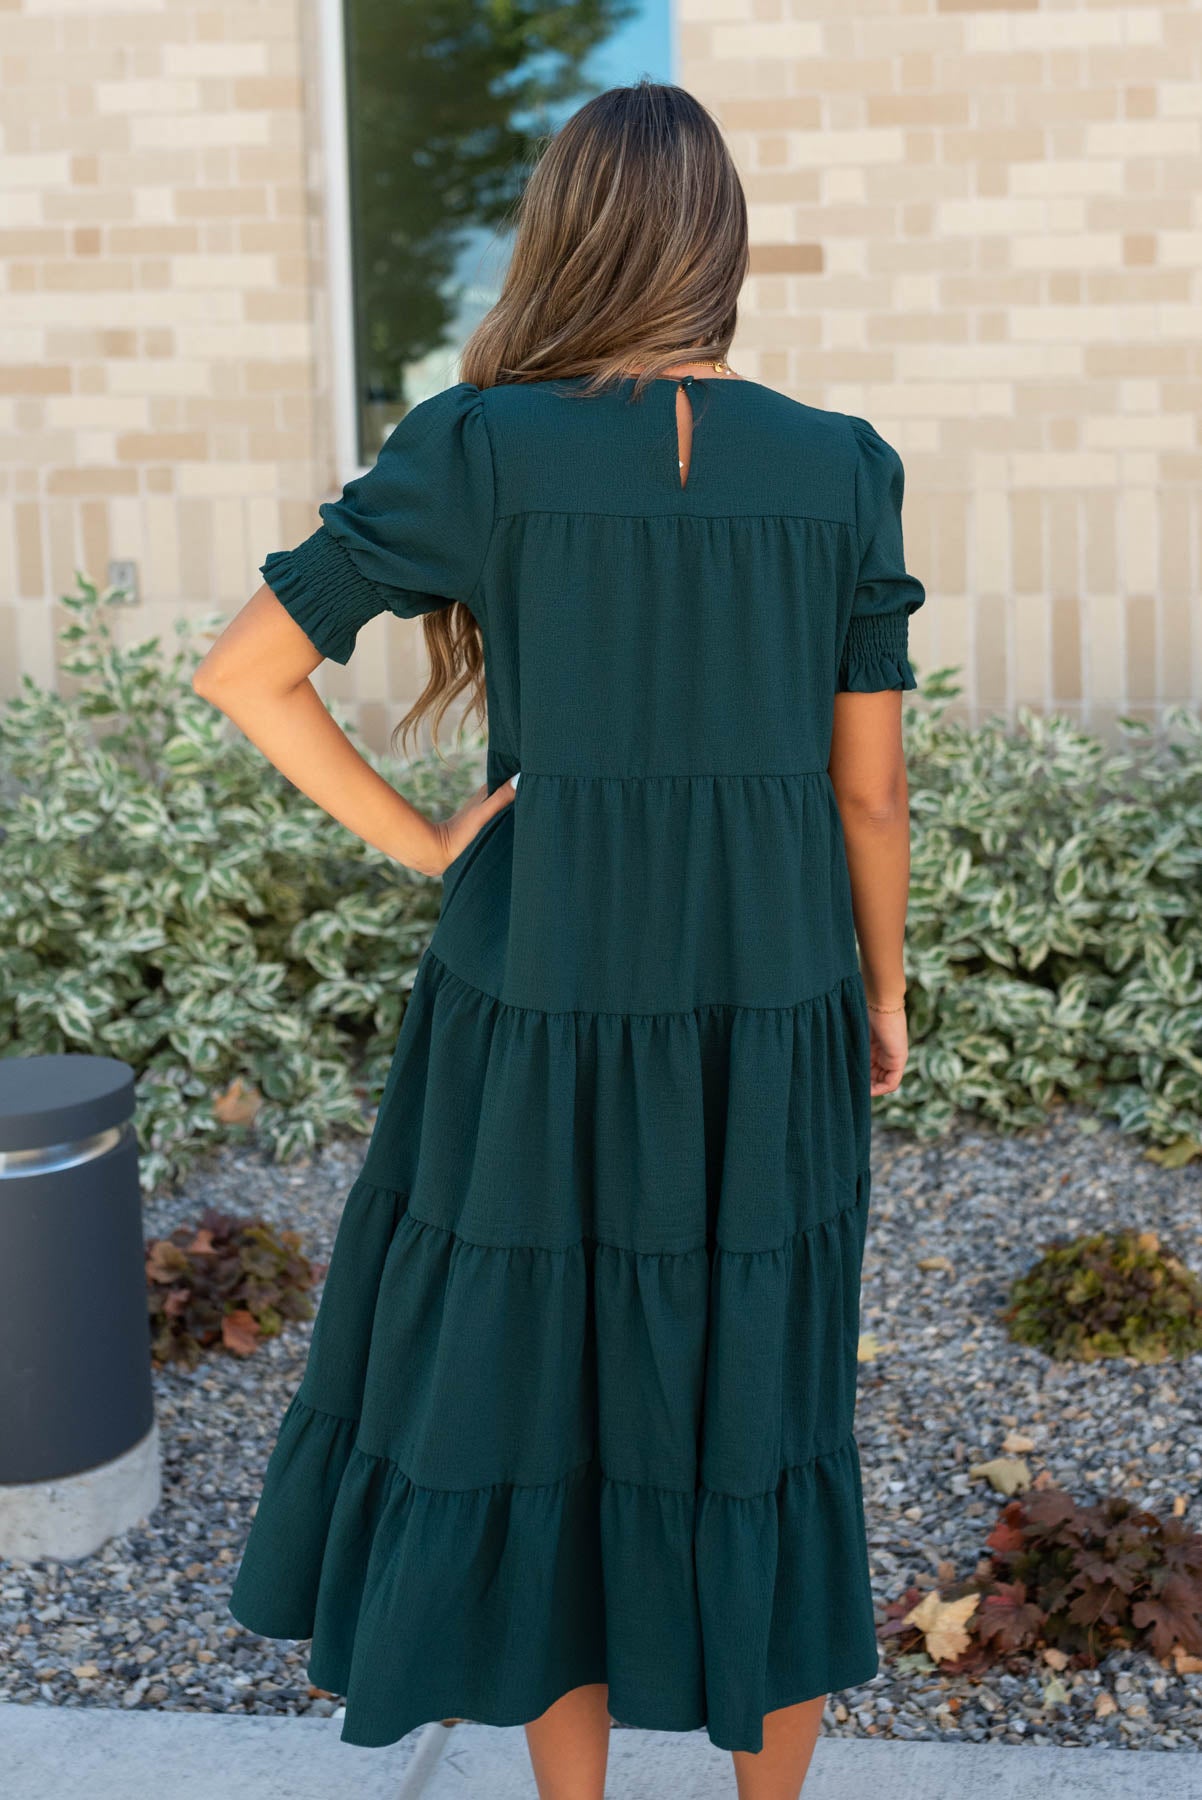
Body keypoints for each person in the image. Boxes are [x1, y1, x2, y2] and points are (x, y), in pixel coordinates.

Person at [194, 78, 923, 1800]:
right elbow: (870, 798)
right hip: (772, 1008)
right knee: (763, 1415)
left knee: (538, 1398)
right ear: (721, 247)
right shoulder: (838, 466)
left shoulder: (483, 445)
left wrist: (423, 840)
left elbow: (244, 671)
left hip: (530, 999)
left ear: (566, 238)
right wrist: (883, 989)